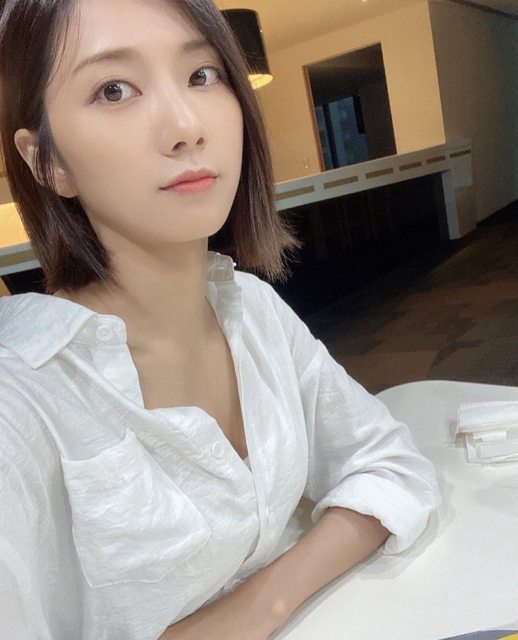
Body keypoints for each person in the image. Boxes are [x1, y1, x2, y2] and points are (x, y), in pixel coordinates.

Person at [0, 0, 440, 638]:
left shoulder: (251, 309)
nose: (186, 126)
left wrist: (263, 605)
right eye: (114, 89)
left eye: (201, 75)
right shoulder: (22, 399)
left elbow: (389, 462)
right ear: (48, 162)